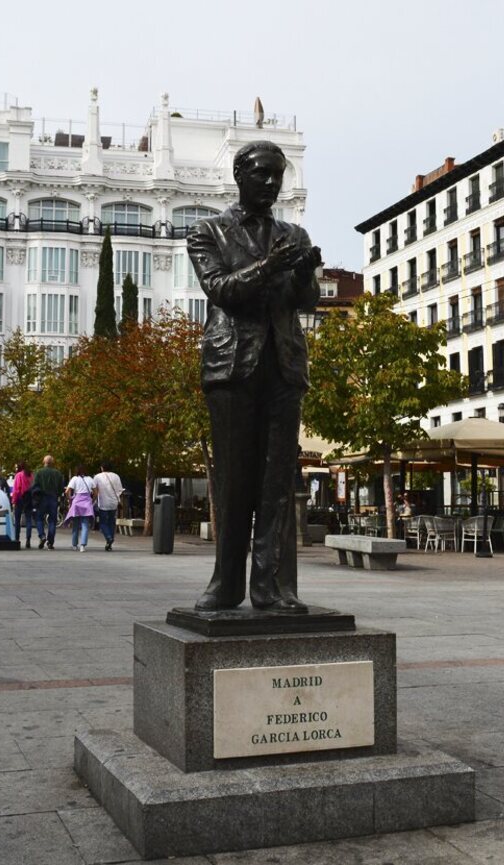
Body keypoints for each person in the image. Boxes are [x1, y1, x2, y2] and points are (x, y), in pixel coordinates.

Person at [186, 140, 322, 613]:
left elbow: (306, 302)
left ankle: (271, 586)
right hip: (231, 366)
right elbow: (221, 289)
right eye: (262, 174)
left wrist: (304, 274)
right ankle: (226, 583)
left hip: (283, 366)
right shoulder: (209, 231)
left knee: (277, 480)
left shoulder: (294, 235)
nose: (271, 182)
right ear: (240, 175)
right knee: (233, 479)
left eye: (278, 175)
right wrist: (272, 266)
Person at [31, 455, 64, 550]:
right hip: (53, 498)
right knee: (52, 521)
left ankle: (42, 536)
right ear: (52, 462)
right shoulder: (58, 473)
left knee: (39, 519)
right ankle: (50, 542)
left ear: (43, 462)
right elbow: (61, 488)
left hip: (42, 498)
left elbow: (34, 486)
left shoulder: (39, 472)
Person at [92, 461, 124, 551]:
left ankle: (108, 537)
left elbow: (94, 489)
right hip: (113, 503)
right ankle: (109, 542)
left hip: (103, 502)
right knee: (111, 522)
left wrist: (93, 500)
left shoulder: (97, 477)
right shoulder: (116, 476)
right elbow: (120, 490)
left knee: (103, 523)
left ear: (102, 468)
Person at [64, 467, 97, 552]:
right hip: (87, 502)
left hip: (77, 502)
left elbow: (67, 491)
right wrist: (92, 500)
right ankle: (83, 545)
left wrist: (70, 499)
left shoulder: (74, 479)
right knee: (85, 525)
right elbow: (96, 492)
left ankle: (74, 545)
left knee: (75, 525)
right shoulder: (90, 479)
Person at [10, 462, 38, 549]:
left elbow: (16, 489)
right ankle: (28, 540)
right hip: (29, 499)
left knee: (17, 520)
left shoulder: (18, 475)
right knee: (28, 520)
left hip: (20, 499)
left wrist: (14, 501)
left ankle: (17, 538)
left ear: (19, 467)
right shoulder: (31, 475)